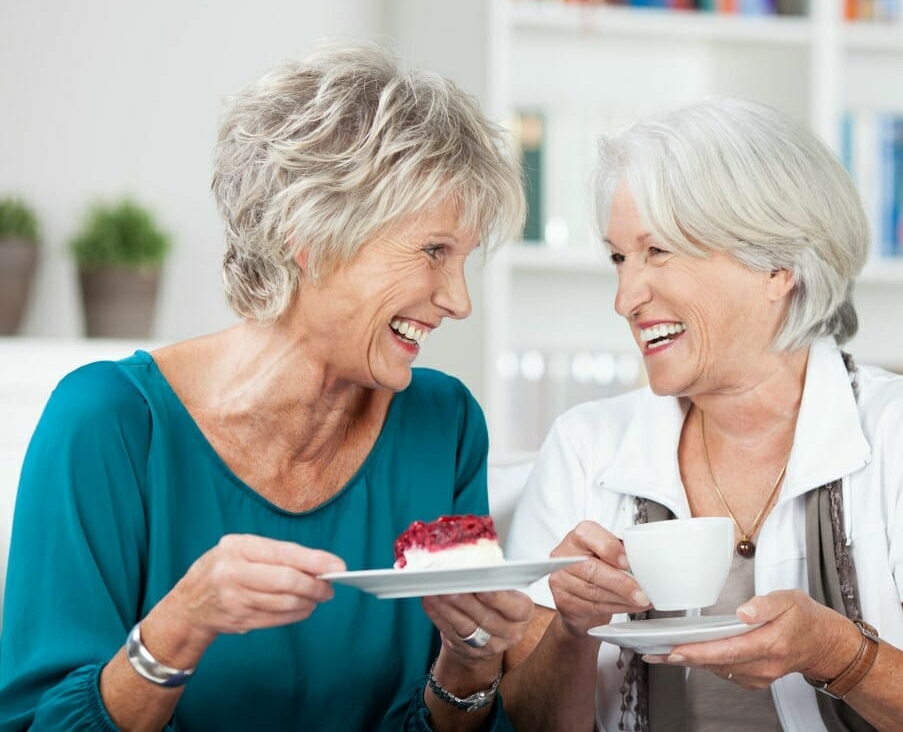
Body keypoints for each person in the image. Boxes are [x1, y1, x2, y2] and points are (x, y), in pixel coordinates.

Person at [0, 43, 533, 731]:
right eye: (434, 251)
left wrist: (469, 662)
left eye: (464, 259)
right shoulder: (109, 423)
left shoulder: (445, 424)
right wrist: (179, 628)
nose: (458, 301)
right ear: (308, 234)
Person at [501, 97, 903, 731]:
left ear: (777, 265)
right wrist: (572, 629)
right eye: (620, 258)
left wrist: (839, 654)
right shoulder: (584, 445)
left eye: (660, 252)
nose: (626, 297)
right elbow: (526, 724)